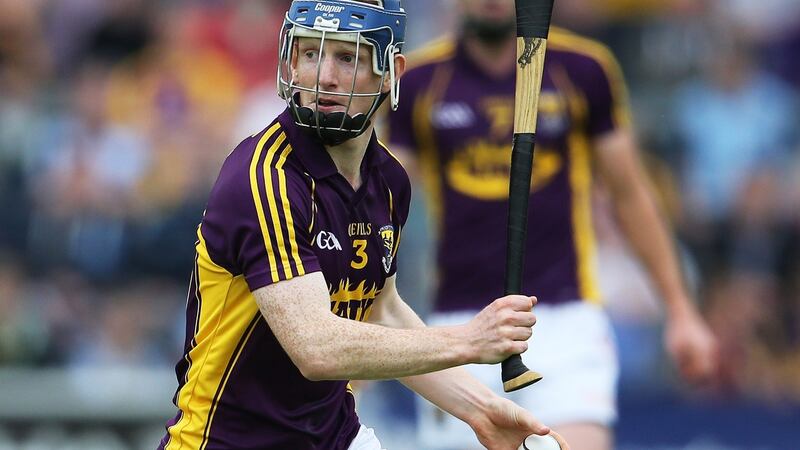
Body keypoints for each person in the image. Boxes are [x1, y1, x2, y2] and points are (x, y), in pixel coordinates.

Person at [158, 1, 553, 449]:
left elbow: (380, 310)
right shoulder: (262, 178)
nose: (323, 77)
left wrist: (479, 409)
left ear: (391, 71)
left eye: (347, 57)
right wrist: (468, 340)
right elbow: (316, 347)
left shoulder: (388, 180)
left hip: (335, 436)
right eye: (310, 54)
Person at [384, 1, 719, 449]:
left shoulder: (582, 70)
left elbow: (630, 195)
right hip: (458, 329)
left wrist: (680, 310)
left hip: (564, 321)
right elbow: (382, 209)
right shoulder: (422, 81)